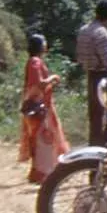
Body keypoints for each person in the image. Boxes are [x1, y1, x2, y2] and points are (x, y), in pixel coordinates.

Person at [18, 34, 68, 184]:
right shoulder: (35, 62)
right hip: (39, 106)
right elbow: (38, 83)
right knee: (44, 138)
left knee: (41, 138)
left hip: (41, 104)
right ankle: (44, 172)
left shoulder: (34, 61)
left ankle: (41, 171)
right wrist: (53, 78)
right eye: (44, 42)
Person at [75, 0, 107, 146]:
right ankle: (105, 146)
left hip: (91, 74)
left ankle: (94, 145)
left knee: (95, 115)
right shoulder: (103, 34)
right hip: (104, 77)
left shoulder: (84, 30)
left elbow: (80, 57)